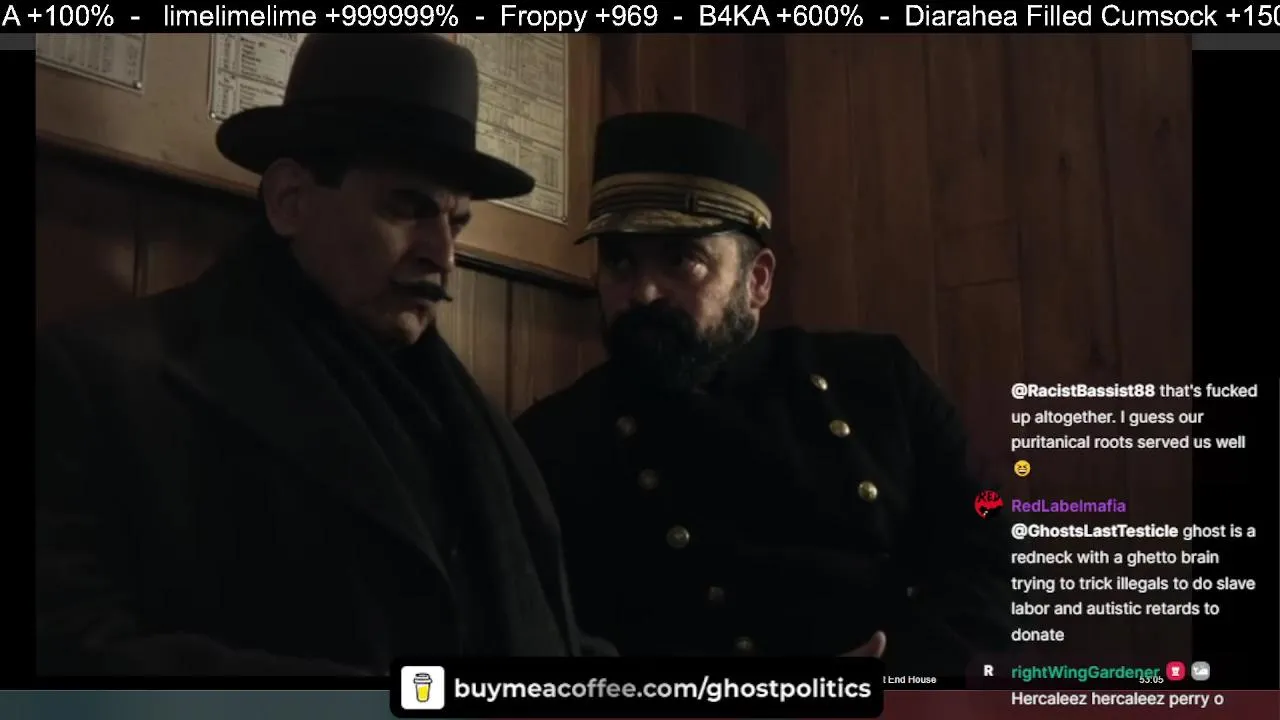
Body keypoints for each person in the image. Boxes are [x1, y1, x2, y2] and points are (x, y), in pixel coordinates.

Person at [35, 34, 610, 675]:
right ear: (290, 200)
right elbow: (70, 653)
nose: (444, 255)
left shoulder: (475, 418)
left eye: (456, 223)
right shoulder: (103, 380)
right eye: (407, 207)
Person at [514, 112, 1014, 673]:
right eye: (620, 261)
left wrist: (904, 672)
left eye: (681, 259)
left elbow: (989, 525)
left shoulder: (878, 380)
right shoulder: (551, 443)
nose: (644, 291)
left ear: (757, 281)